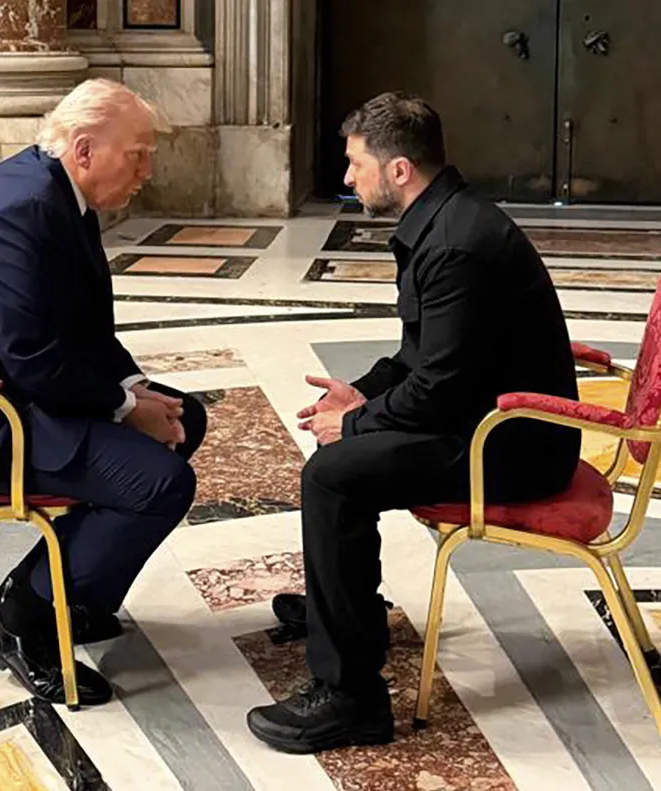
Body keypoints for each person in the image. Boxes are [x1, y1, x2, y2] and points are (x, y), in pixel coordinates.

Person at [246, 93, 582, 753]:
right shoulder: (445, 223)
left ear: (398, 169)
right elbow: (419, 358)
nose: (348, 179)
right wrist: (361, 394)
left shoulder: (456, 245)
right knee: (340, 465)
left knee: (334, 475)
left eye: (355, 164)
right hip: (486, 420)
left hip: (512, 445)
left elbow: (439, 388)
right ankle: (346, 616)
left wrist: (360, 421)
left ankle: (350, 698)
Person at [0, 79, 207, 707]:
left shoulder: (54, 191)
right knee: (160, 483)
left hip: (12, 391)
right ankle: (24, 617)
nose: (148, 168)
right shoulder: (20, 212)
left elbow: (77, 327)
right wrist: (127, 408)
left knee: (186, 418)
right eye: (137, 153)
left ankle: (74, 591)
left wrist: (134, 388)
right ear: (83, 149)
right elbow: (35, 357)